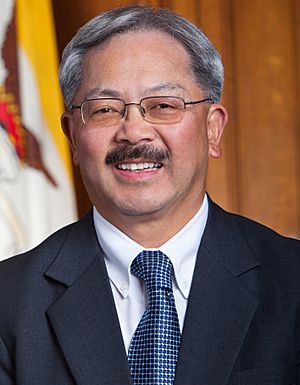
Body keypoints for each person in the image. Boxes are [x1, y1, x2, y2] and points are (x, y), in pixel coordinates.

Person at [0, 5, 299, 385]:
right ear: (73, 136)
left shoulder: (292, 283)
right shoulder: (8, 302)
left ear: (213, 130)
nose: (134, 132)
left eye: (162, 106)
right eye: (105, 109)